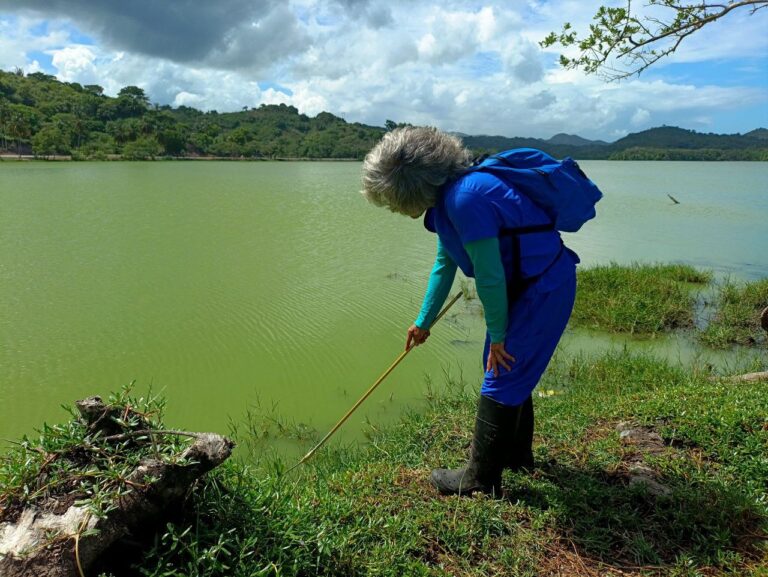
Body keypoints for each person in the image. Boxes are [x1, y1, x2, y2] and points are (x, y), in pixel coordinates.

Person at [361, 126, 579, 497]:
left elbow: (490, 277)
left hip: (542, 288)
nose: (393, 208)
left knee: (502, 369)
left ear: (409, 187)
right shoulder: (450, 200)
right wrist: (422, 322)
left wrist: (499, 336)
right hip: (523, 286)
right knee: (504, 368)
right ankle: (517, 457)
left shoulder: (466, 199)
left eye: (391, 199)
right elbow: (445, 262)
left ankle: (481, 478)